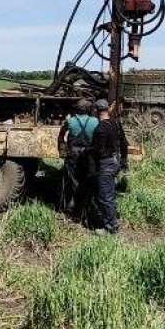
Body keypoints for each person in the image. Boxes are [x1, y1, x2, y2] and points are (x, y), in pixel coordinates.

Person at [89, 99, 129, 235]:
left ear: (96, 111)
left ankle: (110, 228)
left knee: (105, 195)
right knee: (110, 193)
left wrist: (92, 169)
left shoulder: (100, 129)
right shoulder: (116, 124)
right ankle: (112, 218)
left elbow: (97, 151)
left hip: (106, 164)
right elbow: (124, 143)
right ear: (107, 109)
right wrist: (124, 160)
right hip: (116, 161)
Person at [57, 99, 98, 222]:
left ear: (77, 109)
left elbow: (61, 135)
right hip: (89, 155)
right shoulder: (95, 121)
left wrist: (62, 148)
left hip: (73, 155)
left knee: (73, 181)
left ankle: (73, 208)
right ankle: (86, 208)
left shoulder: (70, 121)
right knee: (87, 181)